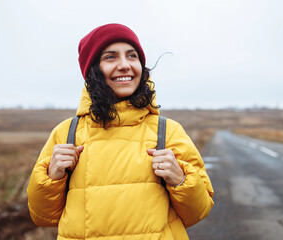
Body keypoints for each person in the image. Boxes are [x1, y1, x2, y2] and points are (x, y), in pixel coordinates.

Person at [27, 23, 214, 240]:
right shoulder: (66, 133)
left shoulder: (168, 132)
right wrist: (52, 177)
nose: (125, 65)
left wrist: (180, 180)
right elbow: (43, 217)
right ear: (93, 69)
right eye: (110, 57)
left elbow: (198, 212)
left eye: (132, 56)